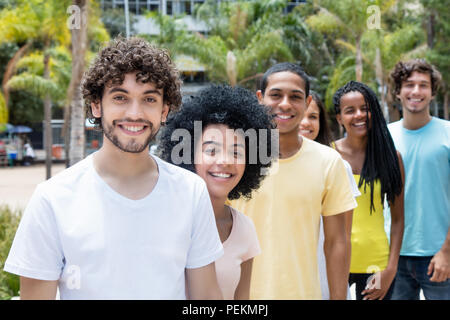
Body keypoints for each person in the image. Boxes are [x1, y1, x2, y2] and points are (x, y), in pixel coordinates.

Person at [4, 37, 224, 300]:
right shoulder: (52, 198)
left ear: (164, 110)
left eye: (149, 99)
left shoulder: (191, 192)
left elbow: (206, 298)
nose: (134, 113)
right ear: (97, 105)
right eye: (120, 97)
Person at [230, 62, 357, 299]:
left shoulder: (329, 162)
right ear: (260, 98)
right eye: (276, 95)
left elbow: (337, 242)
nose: (285, 104)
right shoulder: (234, 159)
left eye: (295, 97)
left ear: (308, 102)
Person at [158, 85, 275, 299]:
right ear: (188, 154)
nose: (224, 161)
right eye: (211, 150)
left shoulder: (244, 229)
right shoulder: (163, 219)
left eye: (236, 152)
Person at [332, 81, 405, 300]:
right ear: (339, 118)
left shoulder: (391, 157)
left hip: (376, 263)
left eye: (365, 108)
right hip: (335, 263)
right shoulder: (328, 155)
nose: (359, 115)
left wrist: (391, 269)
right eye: (350, 110)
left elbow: (399, 220)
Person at [388, 59, 450, 300]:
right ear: (398, 92)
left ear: (432, 92)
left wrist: (447, 250)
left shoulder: (447, 134)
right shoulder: (383, 137)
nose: (416, 91)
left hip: (439, 256)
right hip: (393, 255)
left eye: (423, 85)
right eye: (409, 84)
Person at [299, 92, 361, 300]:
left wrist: (340, 292)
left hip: (325, 279)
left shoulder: (337, 166)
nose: (305, 122)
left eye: (313, 117)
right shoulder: (261, 168)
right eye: (301, 115)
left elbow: (344, 238)